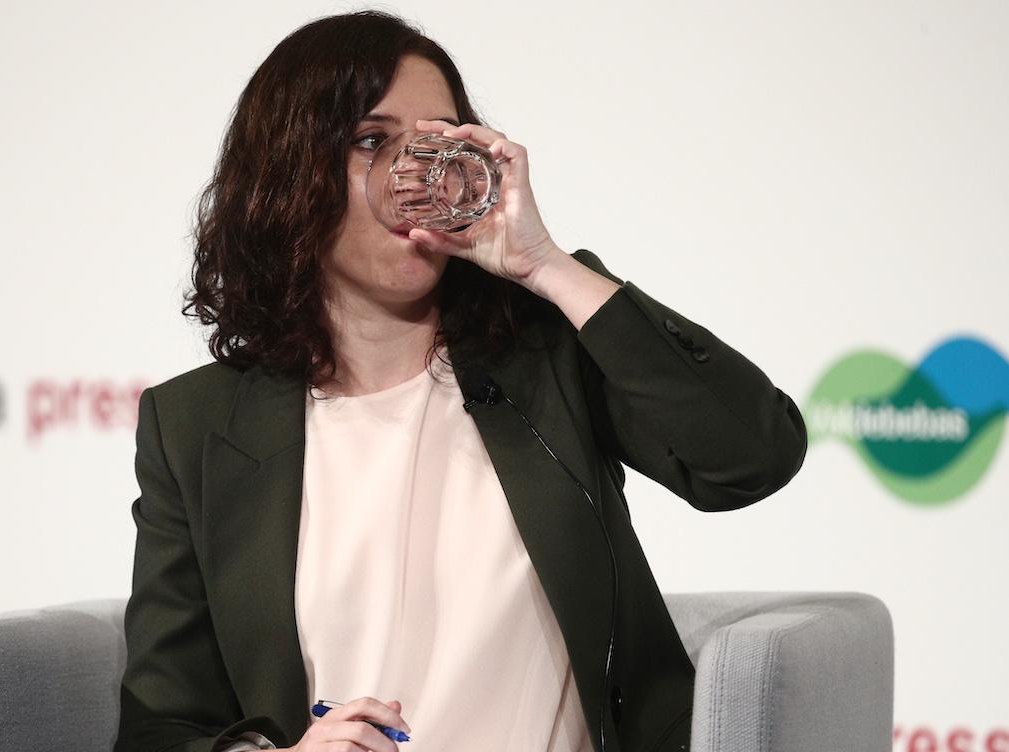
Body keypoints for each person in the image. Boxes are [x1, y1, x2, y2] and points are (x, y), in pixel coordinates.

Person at [113, 10, 806, 752]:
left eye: (438, 145)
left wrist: (549, 267)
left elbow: (750, 455)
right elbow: (163, 724)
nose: (417, 180)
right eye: (372, 142)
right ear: (287, 175)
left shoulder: (547, 350)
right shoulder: (195, 426)